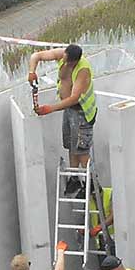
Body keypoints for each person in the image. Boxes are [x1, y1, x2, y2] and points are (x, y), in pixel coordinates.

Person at [28, 43, 98, 198]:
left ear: (74, 61)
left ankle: (92, 184)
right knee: (71, 146)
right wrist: (32, 72)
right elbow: (36, 56)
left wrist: (50, 109)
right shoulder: (62, 54)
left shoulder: (82, 70)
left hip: (82, 113)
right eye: (63, 59)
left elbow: (74, 98)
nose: (64, 62)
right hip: (69, 111)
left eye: (68, 62)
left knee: (81, 151)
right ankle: (74, 179)